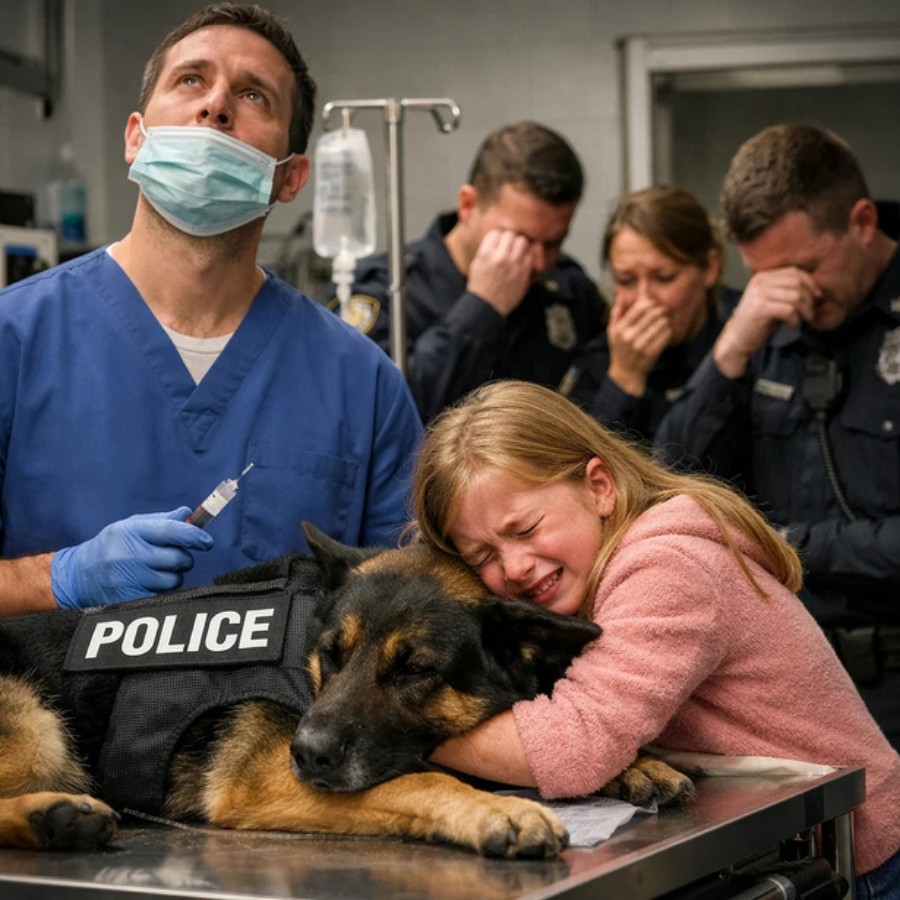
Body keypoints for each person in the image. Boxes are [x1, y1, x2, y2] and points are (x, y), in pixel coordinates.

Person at [0, 3, 423, 617]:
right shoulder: (15, 338)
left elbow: (409, 608)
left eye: (254, 96)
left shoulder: (361, 385)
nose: (215, 106)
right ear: (135, 137)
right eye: (191, 79)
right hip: (46, 714)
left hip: (276, 716)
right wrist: (57, 579)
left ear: (290, 178)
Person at [411, 380, 900, 896]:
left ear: (599, 487)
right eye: (483, 556)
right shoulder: (583, 578)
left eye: (526, 529)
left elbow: (574, 748)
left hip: (860, 864)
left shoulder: (668, 565)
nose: (514, 566)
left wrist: (385, 729)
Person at [654, 125, 900, 750]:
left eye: (805, 267)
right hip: (795, 687)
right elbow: (672, 477)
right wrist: (733, 345)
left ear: (862, 221)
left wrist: (791, 544)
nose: (794, 292)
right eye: (766, 276)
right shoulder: (767, 326)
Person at [339, 121, 607, 422]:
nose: (539, 262)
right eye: (521, 239)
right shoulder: (387, 289)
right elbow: (380, 416)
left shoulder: (569, 290)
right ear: (468, 205)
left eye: (553, 243)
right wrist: (481, 307)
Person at [566, 186, 739, 442]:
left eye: (664, 278)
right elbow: (584, 468)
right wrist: (624, 378)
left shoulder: (745, 334)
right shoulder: (600, 360)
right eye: (626, 281)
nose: (644, 300)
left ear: (710, 269)